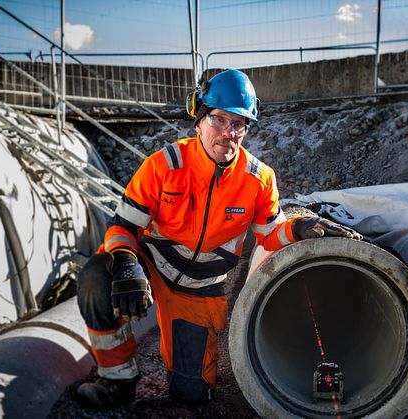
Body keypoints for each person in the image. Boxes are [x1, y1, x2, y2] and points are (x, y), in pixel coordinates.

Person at [75, 69, 362, 410]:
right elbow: (122, 226)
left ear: (247, 128)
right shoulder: (164, 166)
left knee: (192, 395)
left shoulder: (258, 179)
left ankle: (186, 379)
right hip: (155, 267)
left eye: (238, 123)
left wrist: (301, 227)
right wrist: (126, 264)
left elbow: (270, 234)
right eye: (219, 119)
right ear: (198, 120)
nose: (228, 132)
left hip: (201, 289)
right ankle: (117, 381)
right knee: (97, 277)